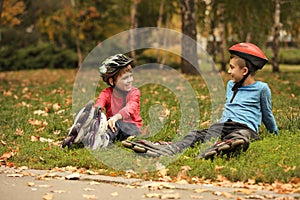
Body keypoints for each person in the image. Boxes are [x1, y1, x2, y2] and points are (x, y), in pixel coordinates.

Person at [122, 42, 279, 158]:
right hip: (224, 125)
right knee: (194, 135)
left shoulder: (262, 89)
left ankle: (230, 144)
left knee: (242, 135)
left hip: (246, 127)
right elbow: (230, 108)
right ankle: (169, 149)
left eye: (232, 67)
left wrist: (275, 134)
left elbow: (267, 114)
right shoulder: (231, 85)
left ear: (244, 71)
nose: (228, 71)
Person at [62, 54, 142, 149]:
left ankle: (104, 140)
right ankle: (81, 133)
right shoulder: (106, 93)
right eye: (125, 78)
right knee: (100, 122)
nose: (130, 80)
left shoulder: (134, 92)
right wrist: (94, 113)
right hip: (111, 124)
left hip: (132, 127)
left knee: (116, 125)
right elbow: (99, 104)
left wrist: (115, 118)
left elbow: (130, 108)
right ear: (112, 81)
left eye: (130, 76)